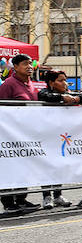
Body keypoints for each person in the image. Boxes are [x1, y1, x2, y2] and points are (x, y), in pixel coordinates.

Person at [37, 69, 82, 209]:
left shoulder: (69, 93)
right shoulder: (44, 92)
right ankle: (46, 196)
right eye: (60, 80)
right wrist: (62, 98)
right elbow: (45, 96)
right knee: (47, 165)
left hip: (62, 135)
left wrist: (76, 98)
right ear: (51, 83)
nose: (64, 83)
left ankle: (58, 195)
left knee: (59, 164)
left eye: (65, 79)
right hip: (47, 134)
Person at [0, 54, 40, 213]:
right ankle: (8, 203)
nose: (29, 66)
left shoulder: (32, 84)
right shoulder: (9, 84)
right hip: (9, 135)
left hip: (27, 134)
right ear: (15, 67)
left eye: (31, 63)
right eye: (25, 64)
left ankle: (21, 199)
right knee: (9, 168)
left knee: (24, 168)